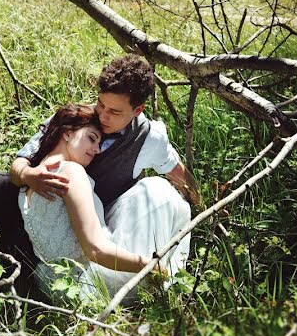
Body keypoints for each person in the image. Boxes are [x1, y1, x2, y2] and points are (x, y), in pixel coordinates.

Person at [0, 54, 199, 290]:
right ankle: (20, 250)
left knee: (157, 192)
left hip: (105, 215)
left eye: (115, 111)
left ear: (138, 110)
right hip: (53, 205)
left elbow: (178, 173)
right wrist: (30, 176)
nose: (103, 115)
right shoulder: (76, 119)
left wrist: (202, 205)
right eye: (101, 104)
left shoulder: (149, 139)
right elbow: (20, 163)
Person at [17, 104, 191, 302]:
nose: (97, 149)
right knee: (157, 189)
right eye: (91, 138)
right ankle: (169, 281)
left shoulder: (28, 183)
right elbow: (95, 250)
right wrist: (149, 265)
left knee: (141, 196)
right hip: (94, 283)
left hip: (56, 287)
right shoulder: (71, 172)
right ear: (67, 133)